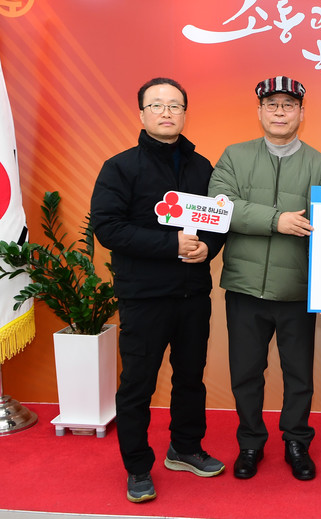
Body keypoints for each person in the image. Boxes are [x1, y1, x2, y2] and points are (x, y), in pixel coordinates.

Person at [91, 78, 226, 503]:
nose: (167, 112)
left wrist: (208, 247)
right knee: (138, 384)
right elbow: (108, 228)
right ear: (142, 113)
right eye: (157, 105)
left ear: (185, 113)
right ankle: (137, 467)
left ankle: (185, 448)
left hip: (193, 294)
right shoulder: (119, 167)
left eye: (175, 105)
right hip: (144, 297)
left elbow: (218, 219)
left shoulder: (203, 167)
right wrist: (172, 245)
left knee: (191, 378)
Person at [208, 76, 321, 482]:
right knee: (246, 371)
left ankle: (297, 440)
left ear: (301, 112)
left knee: (299, 375)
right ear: (260, 111)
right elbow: (221, 207)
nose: (280, 112)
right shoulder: (234, 156)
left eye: (289, 105)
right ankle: (250, 442)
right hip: (244, 287)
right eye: (272, 105)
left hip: (297, 291)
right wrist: (276, 220)